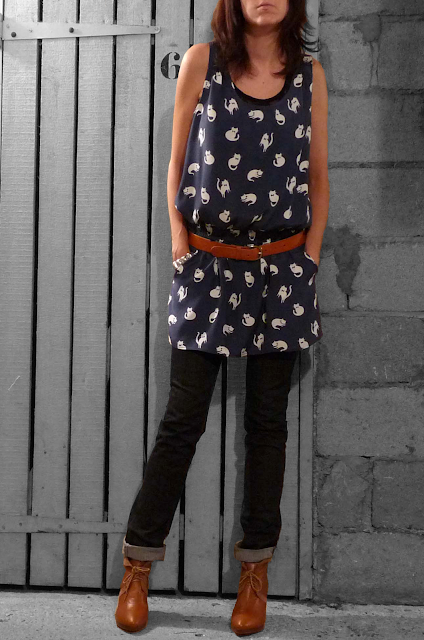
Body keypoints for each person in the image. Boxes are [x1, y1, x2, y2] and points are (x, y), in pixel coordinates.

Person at [115, 0, 329, 635]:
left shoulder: (310, 77)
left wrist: (310, 260)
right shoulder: (202, 63)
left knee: (267, 426)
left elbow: (318, 176)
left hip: (282, 271)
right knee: (182, 422)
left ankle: (254, 574)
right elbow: (176, 162)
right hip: (206, 266)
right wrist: (178, 240)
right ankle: (137, 566)